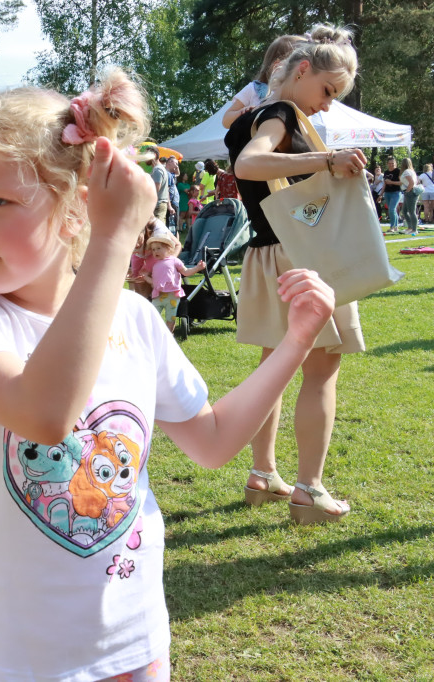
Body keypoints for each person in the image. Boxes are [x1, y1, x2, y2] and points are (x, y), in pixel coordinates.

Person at [0, 71, 338, 682]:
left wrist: (296, 341)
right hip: (18, 649)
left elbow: (214, 439)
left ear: (74, 207)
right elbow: (42, 413)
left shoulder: (135, 317)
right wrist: (113, 242)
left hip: (133, 636)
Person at [225, 23, 364, 523]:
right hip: (301, 255)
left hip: (266, 255)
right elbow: (249, 164)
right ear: (302, 69)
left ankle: (264, 474)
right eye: (327, 90)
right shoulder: (281, 114)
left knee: (274, 372)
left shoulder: (253, 115)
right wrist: (328, 158)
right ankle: (310, 489)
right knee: (321, 370)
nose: (327, 104)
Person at [221, 34, 308, 128]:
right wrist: (242, 112)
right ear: (278, 66)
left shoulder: (298, 96)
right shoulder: (254, 89)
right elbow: (226, 120)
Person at [140, 226, 205, 331]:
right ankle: (154, 333)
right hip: (158, 295)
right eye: (153, 249)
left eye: (158, 248)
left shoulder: (174, 260)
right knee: (153, 315)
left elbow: (185, 272)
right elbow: (154, 282)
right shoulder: (154, 264)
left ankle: (169, 335)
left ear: (169, 249)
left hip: (172, 295)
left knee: (171, 317)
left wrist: (197, 268)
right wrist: (145, 277)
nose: (155, 251)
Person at [400, 158, 420, 236]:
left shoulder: (406, 172)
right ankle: (410, 227)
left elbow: (411, 182)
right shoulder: (412, 171)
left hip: (410, 192)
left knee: (412, 211)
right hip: (410, 192)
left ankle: (414, 229)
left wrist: (408, 190)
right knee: (404, 211)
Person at [148, 147, 169, 221]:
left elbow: (155, 190)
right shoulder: (160, 168)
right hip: (160, 205)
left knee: (157, 231)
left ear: (154, 155)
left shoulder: (157, 170)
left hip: (158, 206)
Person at [383, 156, 403, 233]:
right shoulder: (386, 172)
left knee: (392, 209)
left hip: (396, 192)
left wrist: (391, 182)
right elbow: (384, 184)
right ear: (387, 164)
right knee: (391, 210)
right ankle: (396, 226)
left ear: (396, 163)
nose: (392, 165)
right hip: (387, 192)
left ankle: (392, 226)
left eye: (393, 163)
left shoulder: (398, 171)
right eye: (390, 163)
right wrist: (381, 194)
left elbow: (401, 182)